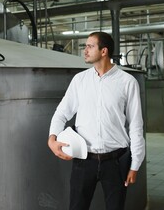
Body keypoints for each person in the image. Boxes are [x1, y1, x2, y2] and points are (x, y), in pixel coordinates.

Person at [48, 31, 145, 210]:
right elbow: (61, 112)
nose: (85, 50)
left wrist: (135, 164)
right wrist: (52, 139)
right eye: (85, 46)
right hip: (84, 161)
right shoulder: (80, 80)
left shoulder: (127, 82)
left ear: (104, 51)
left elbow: (136, 126)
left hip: (116, 162)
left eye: (90, 46)